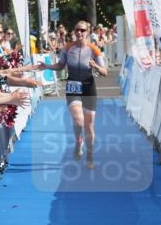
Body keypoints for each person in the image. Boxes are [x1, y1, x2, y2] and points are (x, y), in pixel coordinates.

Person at [38, 20, 108, 169]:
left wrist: (95, 66)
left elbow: (105, 72)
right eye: (77, 30)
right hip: (72, 86)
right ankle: (78, 141)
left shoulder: (94, 49)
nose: (80, 33)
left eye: (83, 30)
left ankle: (89, 156)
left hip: (88, 87)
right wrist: (47, 66)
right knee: (78, 120)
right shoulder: (67, 48)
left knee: (89, 126)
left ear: (87, 32)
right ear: (74, 31)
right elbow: (60, 65)